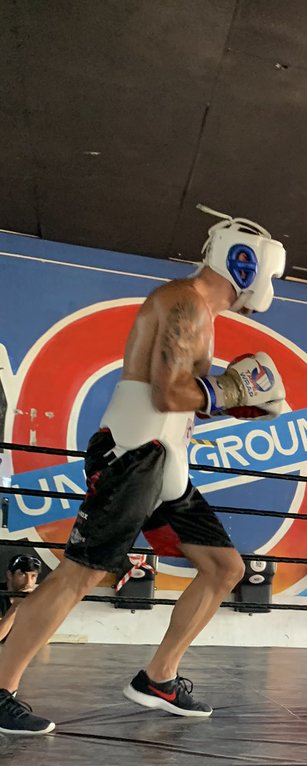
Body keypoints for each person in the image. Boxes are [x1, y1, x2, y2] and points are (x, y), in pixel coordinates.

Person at [0, 214, 288, 736]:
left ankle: (159, 677)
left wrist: (230, 399)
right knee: (81, 573)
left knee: (225, 568)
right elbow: (165, 394)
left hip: (165, 458)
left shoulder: (201, 311)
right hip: (135, 454)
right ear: (246, 264)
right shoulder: (184, 303)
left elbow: (186, 401)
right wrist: (232, 392)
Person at [0, 554, 41, 644]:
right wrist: (16, 606)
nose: (28, 582)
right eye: (22, 574)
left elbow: (42, 639)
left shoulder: (35, 598)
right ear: (10, 575)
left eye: (33, 576)